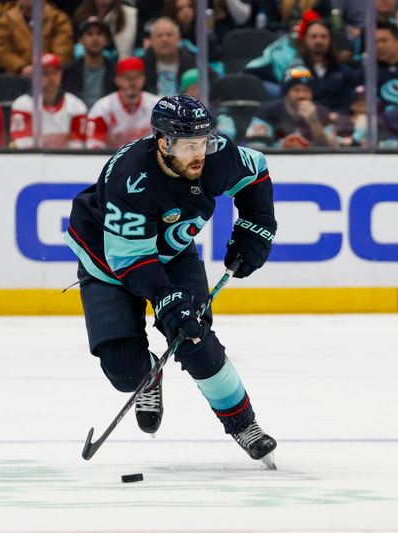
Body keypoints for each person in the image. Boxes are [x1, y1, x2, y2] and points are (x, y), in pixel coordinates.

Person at [64, 94, 278, 465]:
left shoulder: (215, 156)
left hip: (173, 254)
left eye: (203, 141)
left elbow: (255, 172)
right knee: (123, 369)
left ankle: (245, 425)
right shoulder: (130, 179)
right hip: (109, 263)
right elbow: (130, 260)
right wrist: (165, 296)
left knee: (192, 336)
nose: (199, 154)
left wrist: (256, 226)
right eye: (187, 145)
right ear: (163, 143)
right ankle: (147, 374)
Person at [9, 53, 87, 148]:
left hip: (66, 160)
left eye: (55, 72)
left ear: (61, 74)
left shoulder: (76, 105)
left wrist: (42, 140)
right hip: (33, 160)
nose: (51, 77)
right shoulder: (22, 104)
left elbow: (79, 144)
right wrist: (60, 139)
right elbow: (21, 142)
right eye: (45, 73)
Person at [85, 56, 159, 149]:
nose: (132, 82)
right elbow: (94, 145)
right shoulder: (103, 107)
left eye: (136, 77)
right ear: (117, 80)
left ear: (143, 79)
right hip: (112, 160)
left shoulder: (157, 106)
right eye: (126, 77)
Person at [0, 0, 73, 76]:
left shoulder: (59, 18)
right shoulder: (5, 21)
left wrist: (47, 67)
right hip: (17, 75)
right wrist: (22, 67)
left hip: (51, 74)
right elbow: (2, 52)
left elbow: (63, 50)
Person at [63, 16, 116, 110]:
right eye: (89, 34)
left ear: (107, 40)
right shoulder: (67, 71)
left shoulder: (115, 71)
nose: (95, 38)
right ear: (80, 40)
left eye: (100, 34)